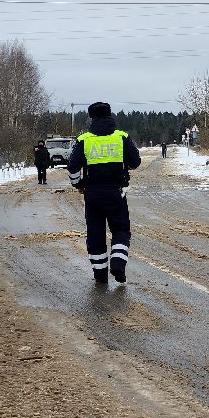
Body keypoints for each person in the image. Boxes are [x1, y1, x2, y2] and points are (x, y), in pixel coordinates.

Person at [67, 102, 142, 284]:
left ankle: (100, 274)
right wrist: (124, 166)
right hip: (117, 193)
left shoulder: (84, 139)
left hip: (92, 194)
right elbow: (135, 162)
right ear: (110, 115)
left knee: (95, 233)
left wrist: (79, 184)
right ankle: (118, 263)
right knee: (121, 230)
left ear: (91, 118)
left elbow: (72, 167)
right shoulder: (121, 136)